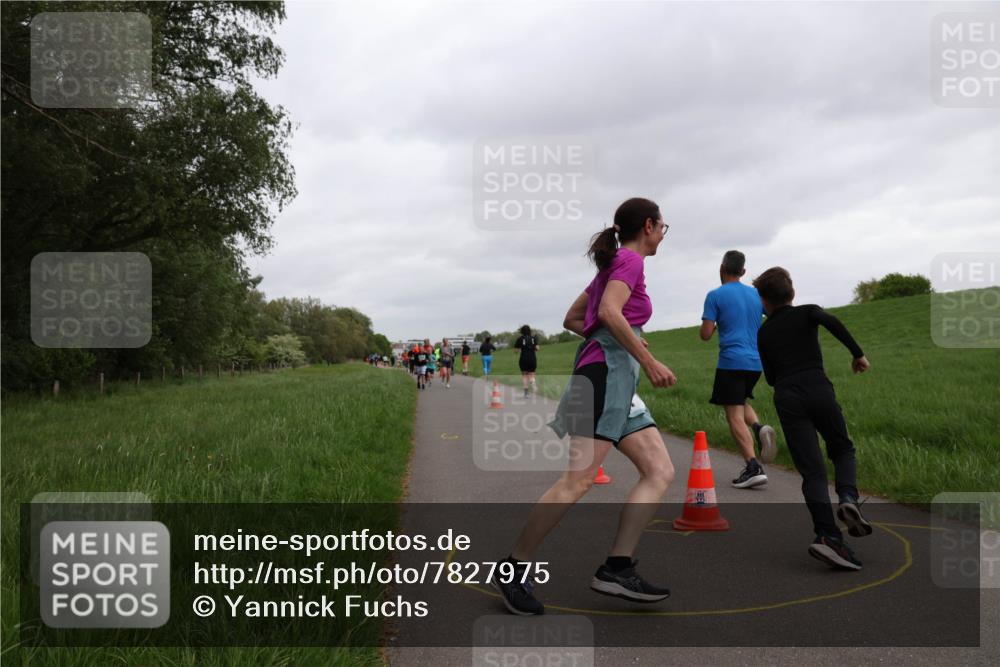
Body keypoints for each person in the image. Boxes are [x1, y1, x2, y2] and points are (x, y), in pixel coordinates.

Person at [492, 197, 677, 616]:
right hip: (603, 380)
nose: (664, 234)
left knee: (660, 470)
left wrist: (623, 337)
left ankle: (617, 567)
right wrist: (647, 359)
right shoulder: (629, 261)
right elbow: (608, 312)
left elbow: (575, 318)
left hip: (617, 383)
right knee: (576, 482)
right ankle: (513, 568)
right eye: (663, 226)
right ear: (649, 225)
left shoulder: (612, 266)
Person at [753, 267, 872, 570]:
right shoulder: (808, 312)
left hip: (787, 394)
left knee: (813, 472)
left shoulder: (764, 332)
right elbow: (832, 322)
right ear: (791, 293)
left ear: (764, 301)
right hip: (818, 387)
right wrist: (857, 354)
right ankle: (847, 496)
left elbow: (769, 378)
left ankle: (828, 536)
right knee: (842, 448)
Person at [700, 250, 778, 489]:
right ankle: (758, 427)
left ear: (721, 268)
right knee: (740, 401)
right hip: (756, 362)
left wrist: (714, 323)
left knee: (733, 414)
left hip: (731, 361)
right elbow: (775, 314)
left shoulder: (715, 295)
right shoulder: (756, 295)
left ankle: (753, 466)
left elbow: (705, 334)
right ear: (743, 271)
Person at [513, 325, 539, 397]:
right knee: (532, 373)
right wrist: (533, 348)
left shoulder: (520, 339)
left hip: (523, 358)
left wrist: (520, 349)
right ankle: (532, 381)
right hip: (532, 358)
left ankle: (526, 393)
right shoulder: (533, 338)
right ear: (529, 330)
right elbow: (538, 348)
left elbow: (515, 351)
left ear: (522, 331)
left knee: (524, 375)